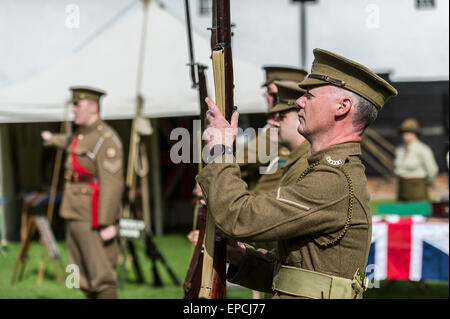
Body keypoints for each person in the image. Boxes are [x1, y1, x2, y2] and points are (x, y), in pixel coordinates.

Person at [196, 48, 398, 299]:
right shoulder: (328, 172)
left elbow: (240, 217)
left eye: (310, 96)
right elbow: (299, 276)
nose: (299, 101)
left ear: (342, 107)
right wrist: (242, 257)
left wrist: (221, 149)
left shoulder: (333, 180)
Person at [41, 87, 124, 299]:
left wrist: (107, 222)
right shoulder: (81, 135)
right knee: (84, 277)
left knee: (101, 277)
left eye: (78, 105)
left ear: (94, 107)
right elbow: (67, 142)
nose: (74, 109)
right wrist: (51, 138)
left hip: (93, 215)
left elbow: (112, 184)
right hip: (75, 211)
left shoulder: (105, 139)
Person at [239, 66, 308, 193]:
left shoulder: (283, 131)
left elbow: (240, 160)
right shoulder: (276, 127)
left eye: (271, 93)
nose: (265, 95)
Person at [394, 118, 439, 201]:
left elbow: (432, 169)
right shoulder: (399, 149)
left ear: (415, 134)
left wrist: (427, 182)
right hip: (402, 186)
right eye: (403, 133)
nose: (405, 135)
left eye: (408, 132)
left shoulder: (423, 149)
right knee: (402, 212)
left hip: (418, 186)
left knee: (419, 212)